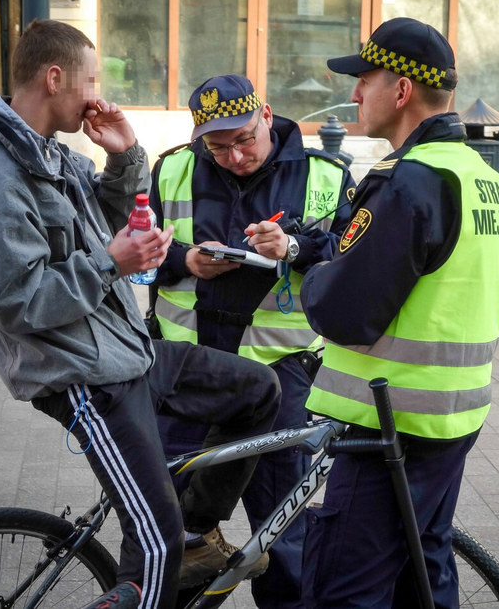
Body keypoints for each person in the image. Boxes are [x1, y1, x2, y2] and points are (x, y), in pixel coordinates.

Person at [0, 19, 280, 609]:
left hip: (125, 354)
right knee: (154, 548)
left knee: (258, 392)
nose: (98, 91)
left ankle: (196, 534)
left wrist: (126, 158)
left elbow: (101, 223)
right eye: (91, 78)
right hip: (82, 377)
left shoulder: (48, 152)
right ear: (56, 78)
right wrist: (111, 263)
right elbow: (17, 303)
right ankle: (172, 546)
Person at [298, 17, 499, 607]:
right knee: (421, 580)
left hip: (387, 425)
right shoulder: (487, 179)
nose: (354, 94)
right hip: (452, 418)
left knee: (348, 592)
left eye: (363, 80)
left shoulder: (410, 182)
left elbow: (345, 311)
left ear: (400, 90)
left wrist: (312, 273)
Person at [148, 74, 355, 604]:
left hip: (278, 377)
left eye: (244, 140)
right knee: (170, 534)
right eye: (217, 147)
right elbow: (138, 257)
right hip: (186, 374)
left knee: (281, 532)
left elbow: (353, 260)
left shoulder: (326, 176)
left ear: (266, 114)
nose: (235, 157)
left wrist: (294, 247)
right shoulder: (173, 168)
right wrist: (185, 260)